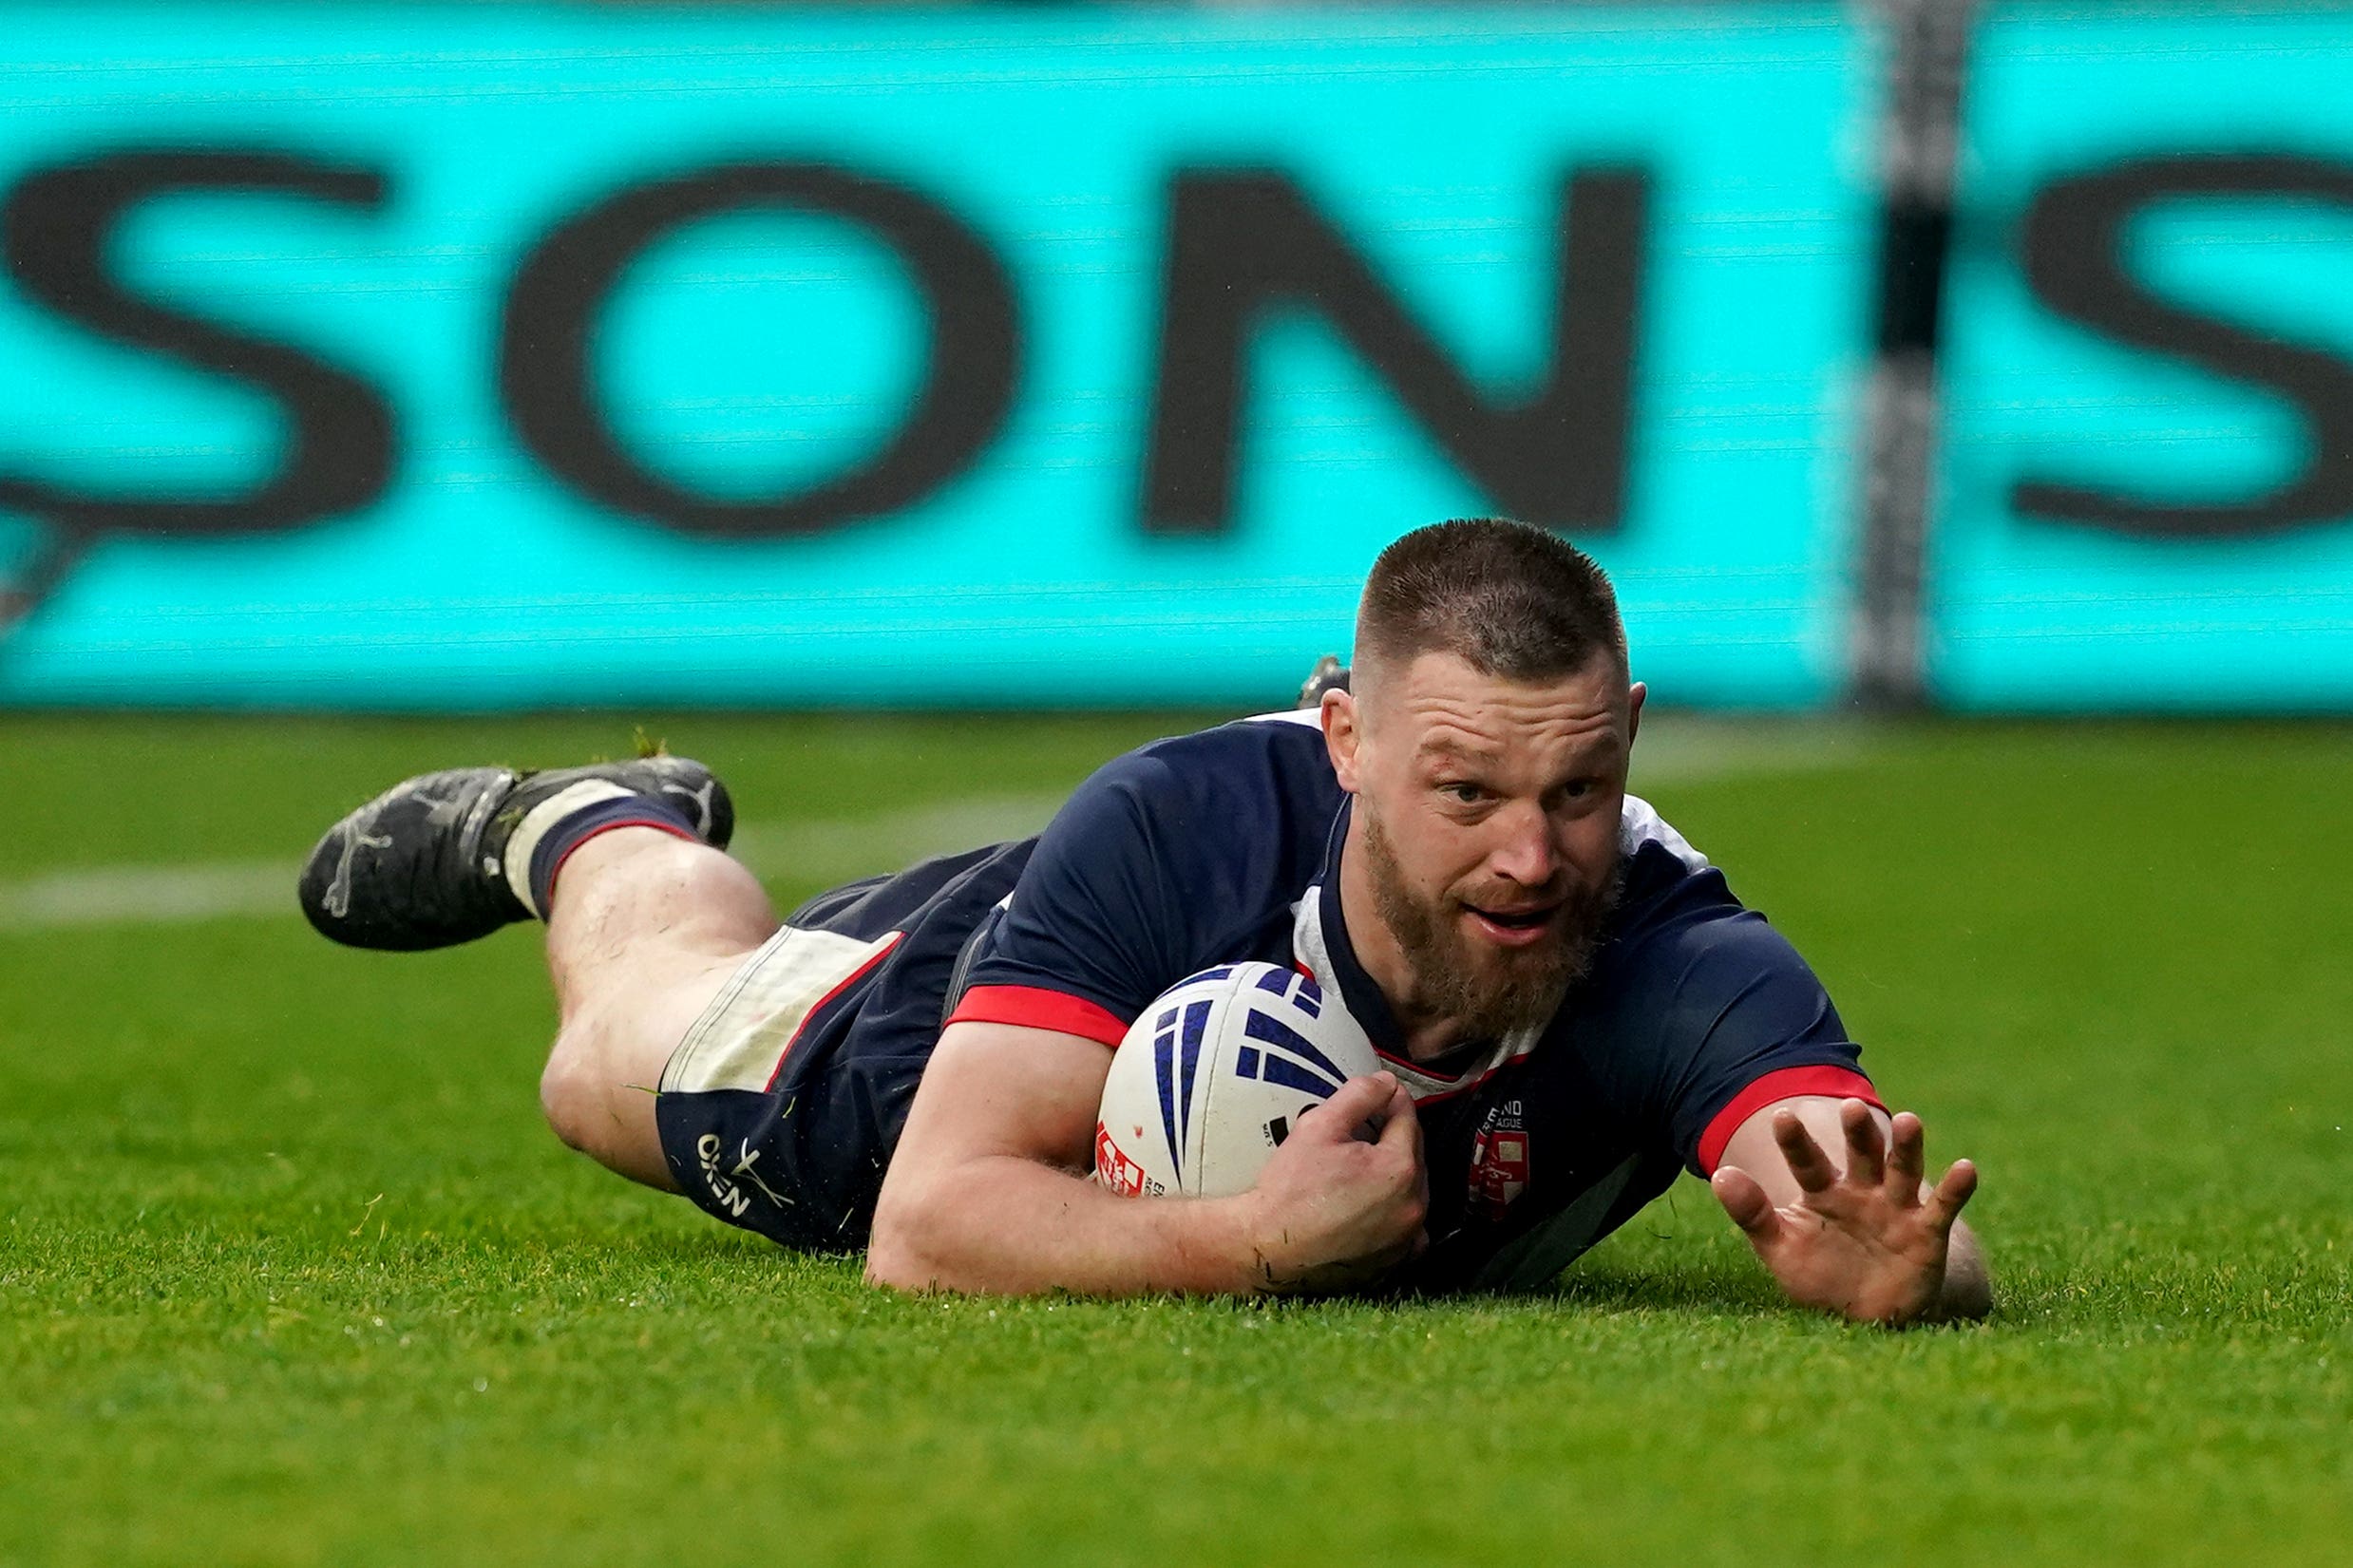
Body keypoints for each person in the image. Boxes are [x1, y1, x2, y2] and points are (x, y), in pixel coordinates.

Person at [299, 518, 1986, 1321]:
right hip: (954, 1028)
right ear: (1344, 736)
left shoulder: (1682, 957)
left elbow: (1844, 1178)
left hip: (1118, 1001)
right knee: (607, 1066)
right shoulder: (1178, 824)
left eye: (1572, 791)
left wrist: (1909, 1271)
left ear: (1625, 734)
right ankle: (594, 823)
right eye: (1462, 795)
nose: (1532, 858)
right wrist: (1249, 1248)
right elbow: (932, 1228)